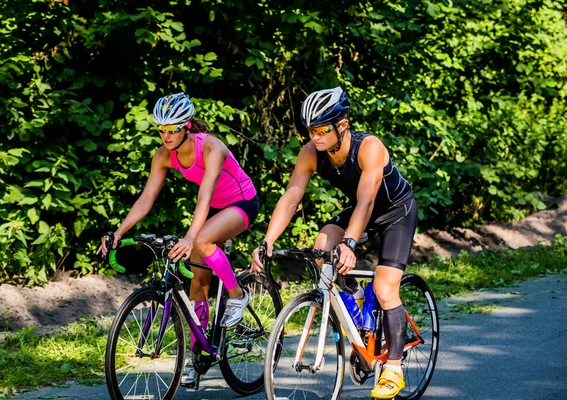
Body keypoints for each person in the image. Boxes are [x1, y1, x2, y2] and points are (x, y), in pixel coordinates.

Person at [250, 87, 417, 399]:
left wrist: (350, 244)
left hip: (395, 212)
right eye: (311, 130)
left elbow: (367, 202)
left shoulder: (369, 148)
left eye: (322, 129)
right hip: (360, 210)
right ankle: (355, 300)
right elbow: (290, 198)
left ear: (343, 124)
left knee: (384, 289)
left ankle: (393, 368)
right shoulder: (311, 153)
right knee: (321, 250)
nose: (315, 136)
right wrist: (267, 241)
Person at [100, 93, 259, 386]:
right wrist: (119, 232)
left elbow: (205, 195)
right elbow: (147, 198)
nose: (166, 135)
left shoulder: (211, 146)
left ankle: (237, 295)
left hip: (242, 202)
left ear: (186, 125)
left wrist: (189, 237)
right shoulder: (163, 154)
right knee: (197, 282)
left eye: (172, 129)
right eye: (161, 129)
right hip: (213, 209)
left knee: (201, 241)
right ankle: (199, 355)